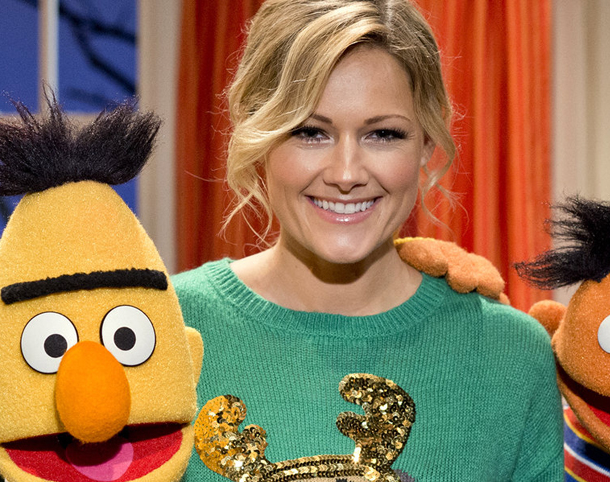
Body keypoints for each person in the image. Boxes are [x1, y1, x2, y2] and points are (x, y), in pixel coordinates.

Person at [175, 0, 564, 480]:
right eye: (310, 132)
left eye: (382, 134)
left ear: (426, 142)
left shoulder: (511, 353)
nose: (346, 174)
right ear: (259, 137)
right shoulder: (165, 328)